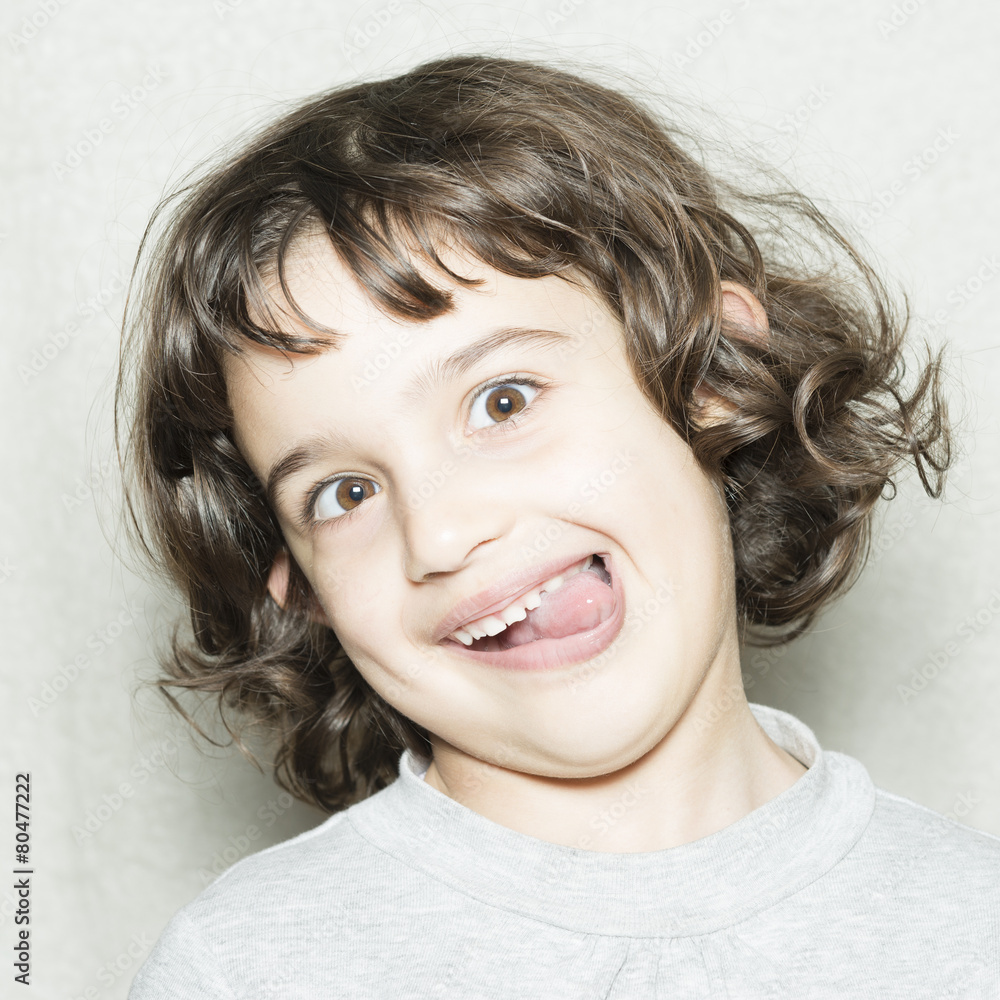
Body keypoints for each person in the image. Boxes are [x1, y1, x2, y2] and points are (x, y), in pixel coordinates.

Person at [119, 53, 997, 998]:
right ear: (300, 588)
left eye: (502, 402)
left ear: (712, 375)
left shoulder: (969, 928)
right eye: (345, 494)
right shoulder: (247, 969)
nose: (442, 534)